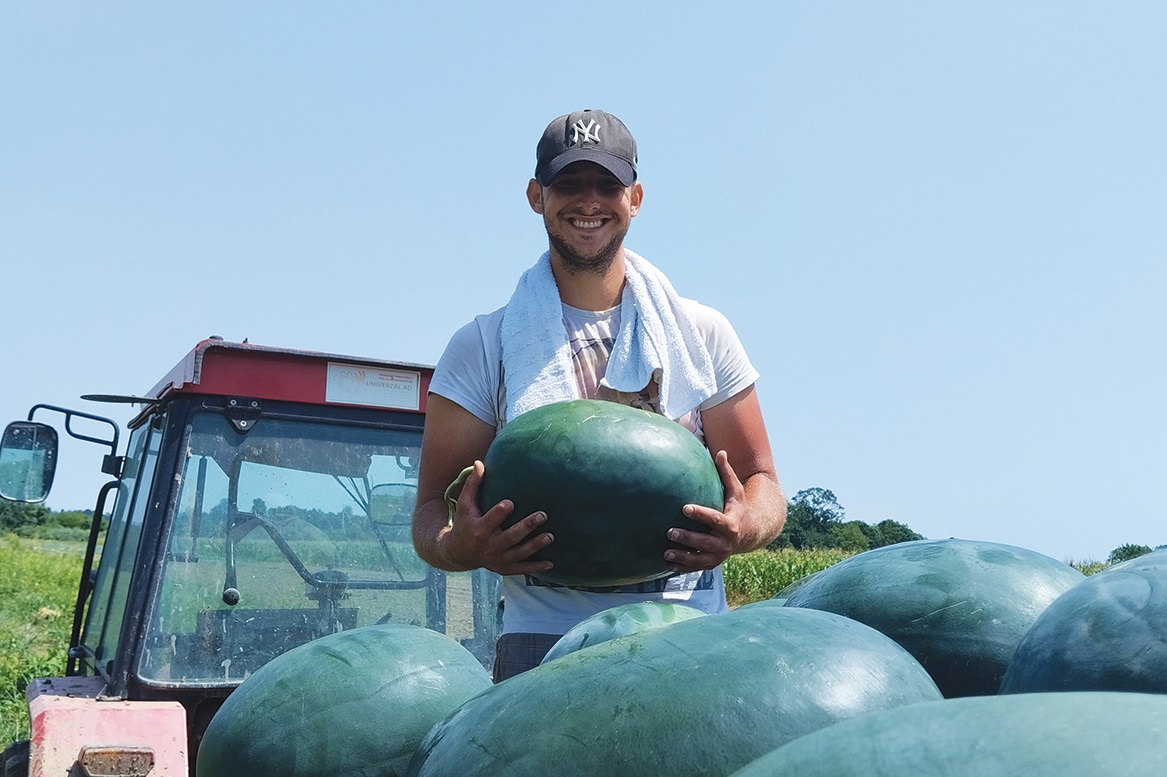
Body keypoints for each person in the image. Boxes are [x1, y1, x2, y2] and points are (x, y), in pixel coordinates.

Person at [412, 109, 786, 681]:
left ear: (634, 198)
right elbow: (429, 511)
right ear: (537, 195)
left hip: (687, 632)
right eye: (568, 184)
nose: (589, 202)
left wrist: (745, 528)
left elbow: (764, 486)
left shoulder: (702, 333)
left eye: (607, 185)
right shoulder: (481, 346)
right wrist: (464, 548)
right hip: (542, 643)